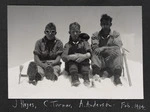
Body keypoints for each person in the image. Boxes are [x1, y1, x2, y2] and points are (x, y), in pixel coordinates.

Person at [91, 14, 123, 85]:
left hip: (111, 60)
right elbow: (95, 47)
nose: (105, 26)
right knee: (94, 52)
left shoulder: (115, 34)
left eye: (107, 24)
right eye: (103, 24)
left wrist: (103, 48)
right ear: (100, 24)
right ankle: (96, 74)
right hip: (101, 60)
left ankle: (117, 77)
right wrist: (108, 50)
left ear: (110, 24)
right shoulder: (95, 35)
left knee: (118, 52)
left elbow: (117, 46)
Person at [61, 22, 91, 87]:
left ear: (79, 32)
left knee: (85, 57)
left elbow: (90, 53)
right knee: (72, 60)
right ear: (69, 32)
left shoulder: (84, 43)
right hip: (72, 67)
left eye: (77, 32)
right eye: (73, 32)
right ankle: (74, 78)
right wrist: (72, 57)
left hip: (83, 65)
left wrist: (83, 56)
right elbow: (63, 56)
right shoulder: (68, 45)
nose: (75, 34)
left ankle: (86, 78)